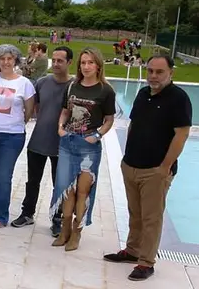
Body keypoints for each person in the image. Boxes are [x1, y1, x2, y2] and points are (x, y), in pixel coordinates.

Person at [103, 55, 190, 281]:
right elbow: (133, 124)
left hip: (155, 169)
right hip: (132, 164)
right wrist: (126, 157)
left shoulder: (178, 99)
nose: (153, 76)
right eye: (150, 71)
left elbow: (181, 135)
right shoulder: (143, 94)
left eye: (159, 72)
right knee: (135, 212)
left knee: (151, 218)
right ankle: (132, 251)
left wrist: (165, 167)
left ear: (171, 72)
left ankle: (146, 262)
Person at [51, 47, 115, 251]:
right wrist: (60, 128)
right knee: (66, 189)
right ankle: (64, 230)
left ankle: (77, 234)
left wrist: (96, 136)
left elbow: (109, 119)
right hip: (68, 143)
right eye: (83, 63)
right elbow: (64, 112)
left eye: (90, 62)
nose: (86, 66)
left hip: (89, 147)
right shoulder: (72, 86)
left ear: (98, 65)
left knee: (83, 191)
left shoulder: (106, 90)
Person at [11, 46, 74, 235]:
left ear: (69, 62)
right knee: (33, 181)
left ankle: (57, 218)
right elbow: (34, 107)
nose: (55, 64)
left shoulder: (75, 86)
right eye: (53, 60)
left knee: (60, 183)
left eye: (60, 61)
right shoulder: (42, 82)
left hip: (62, 145)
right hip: (38, 140)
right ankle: (27, 213)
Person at [0, 44, 36, 228]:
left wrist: (14, 124)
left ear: (15, 60)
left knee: (3, 175)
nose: (6, 62)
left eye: (9, 58)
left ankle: (1, 214)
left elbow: (28, 111)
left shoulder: (24, 84)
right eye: (2, 58)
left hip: (12, 137)